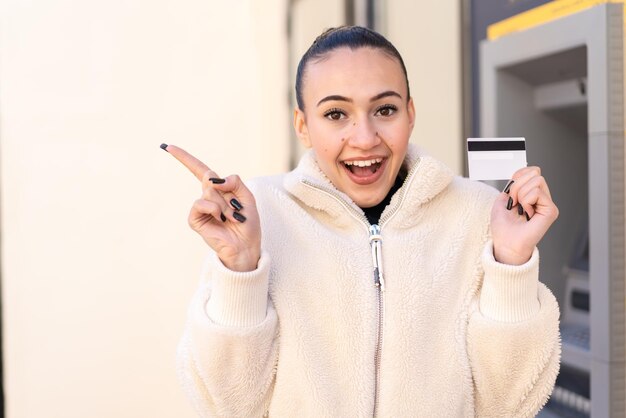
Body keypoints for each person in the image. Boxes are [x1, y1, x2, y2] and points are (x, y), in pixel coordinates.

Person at [166, 26, 560, 417]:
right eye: (336, 114)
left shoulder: (479, 214)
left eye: (385, 110)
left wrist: (510, 263)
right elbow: (229, 405)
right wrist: (241, 271)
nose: (365, 137)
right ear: (302, 125)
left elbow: (509, 404)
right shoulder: (260, 217)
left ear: (410, 113)